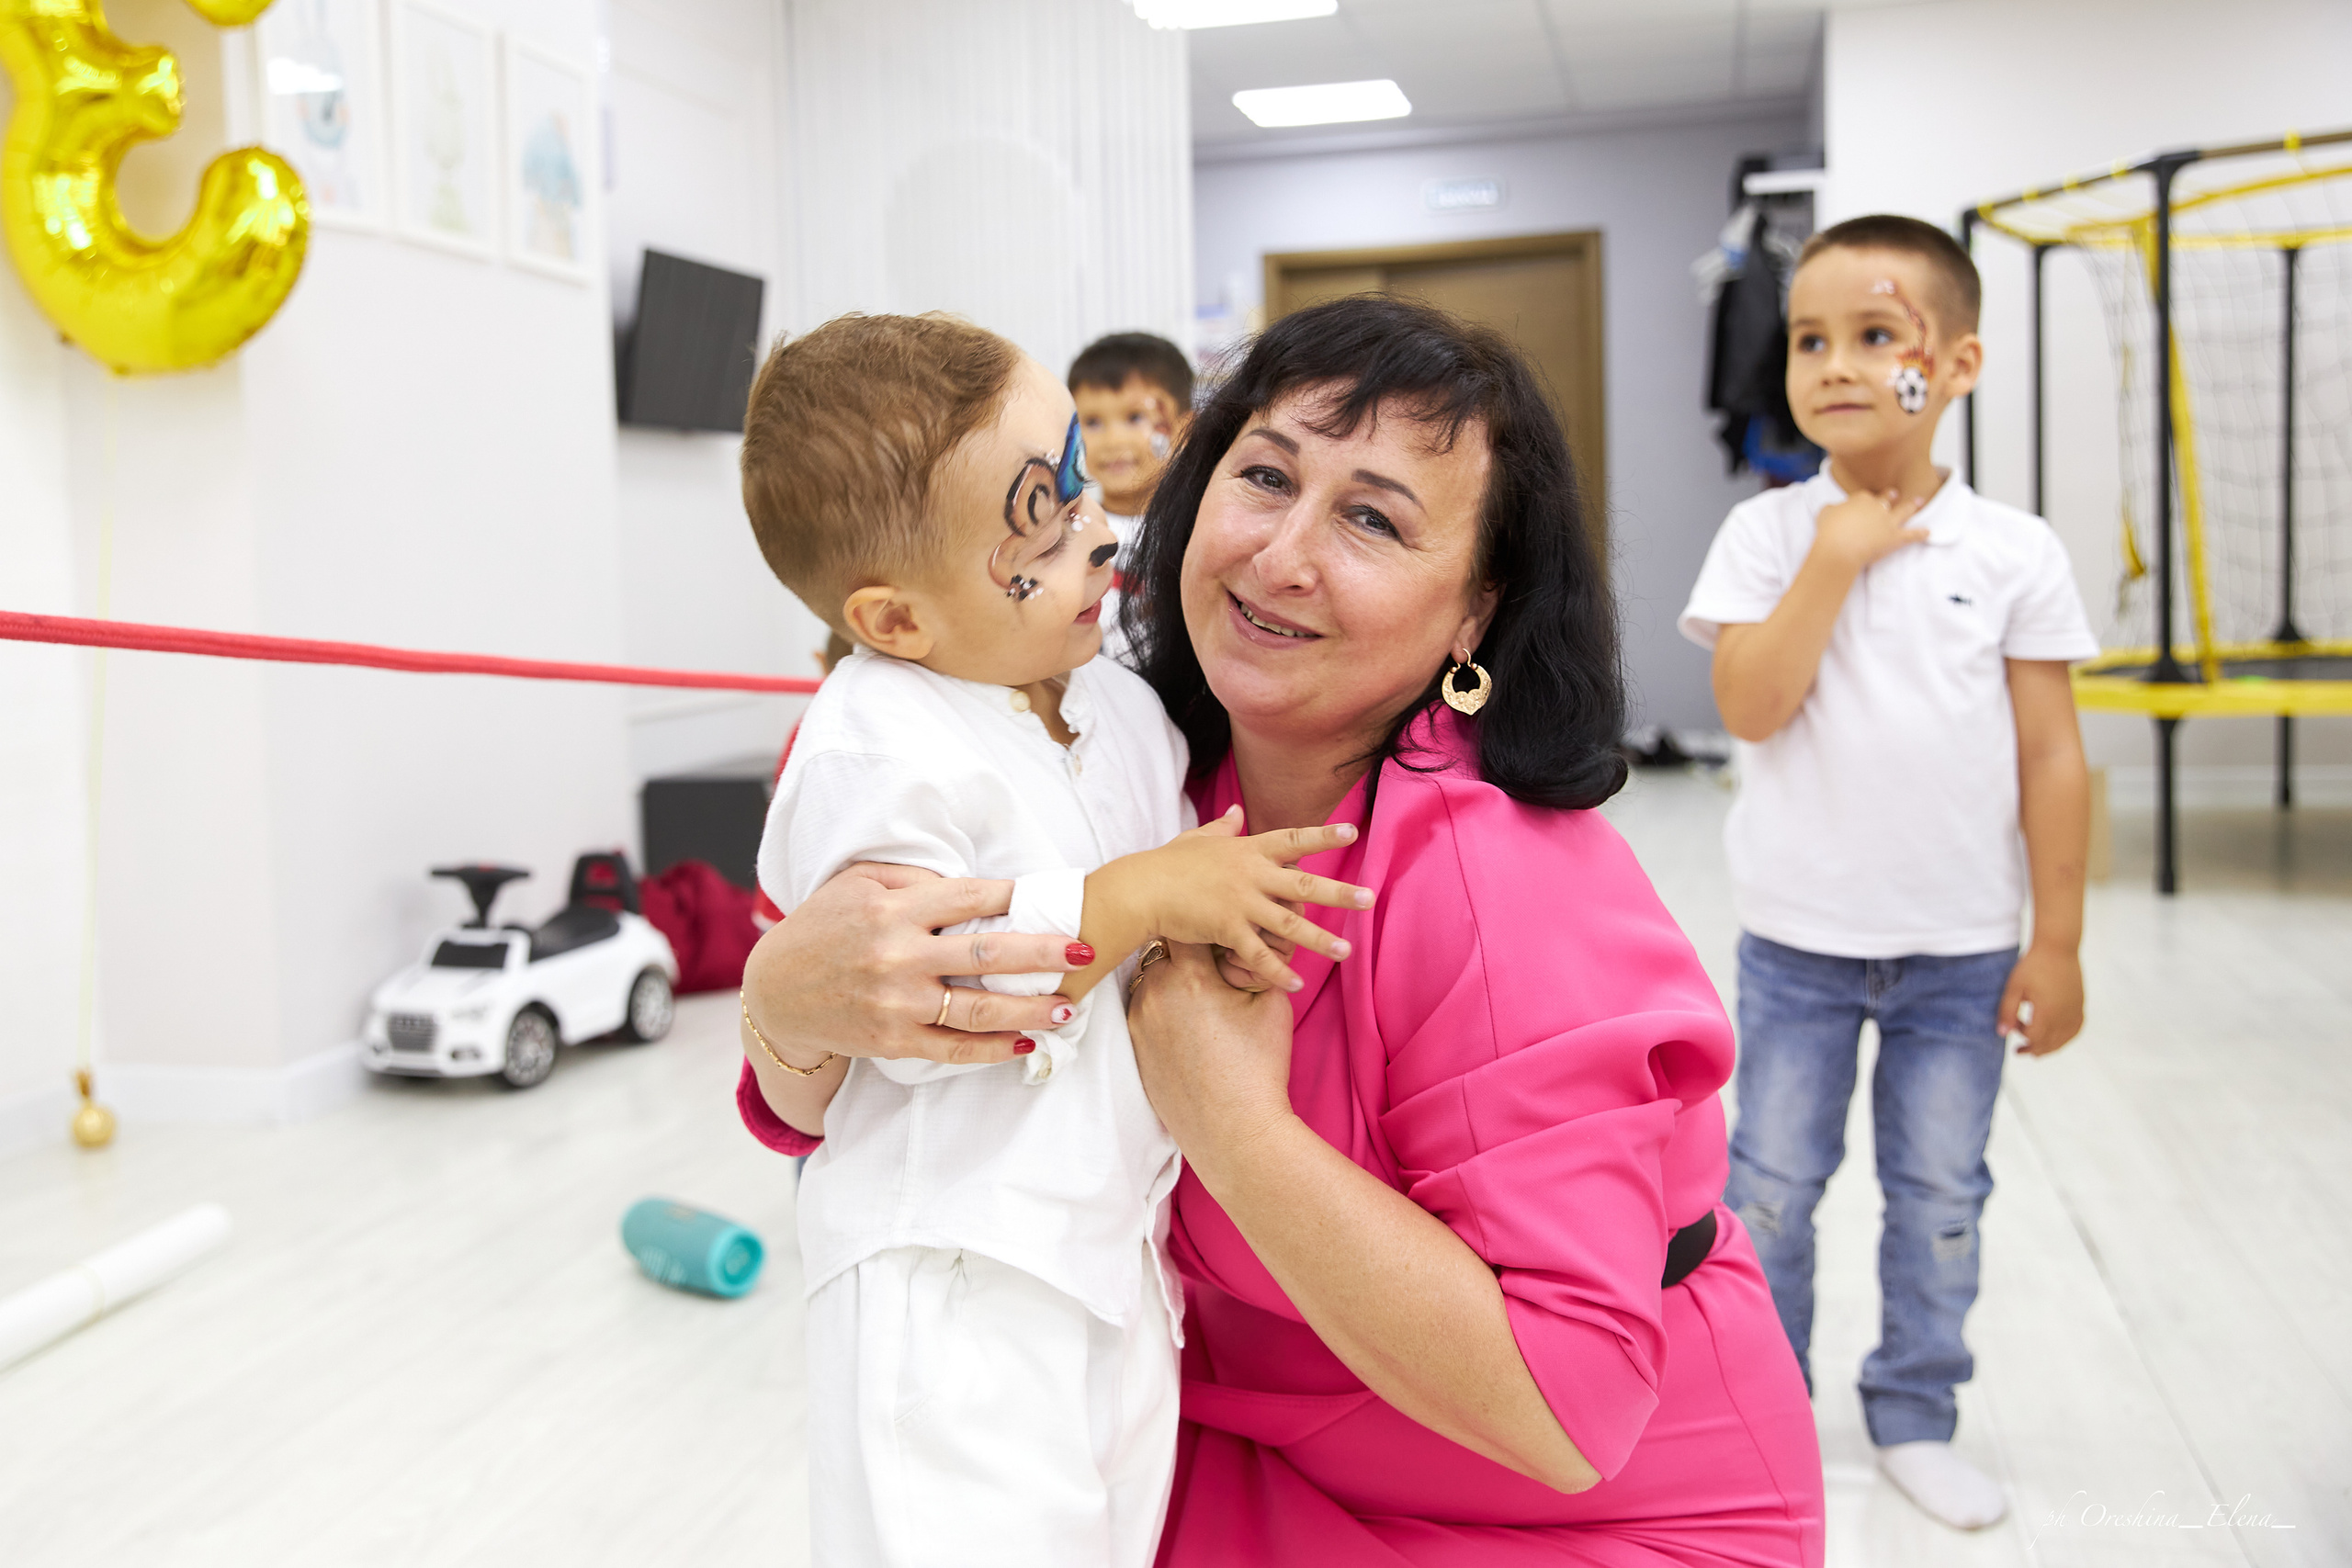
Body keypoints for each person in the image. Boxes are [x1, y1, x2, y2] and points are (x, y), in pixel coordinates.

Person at [738, 295, 1826, 1564]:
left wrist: (1234, 1124)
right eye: (1265, 476)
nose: (1281, 553)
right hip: (1227, 1434)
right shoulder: (1136, 763)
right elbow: (843, 1092)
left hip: (1568, 1510)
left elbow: (1569, 1406)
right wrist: (783, 1000)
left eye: (1371, 517)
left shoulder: (1500, 877)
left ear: (1476, 610)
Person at [733, 312, 1369, 1568]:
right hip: (955, 1280)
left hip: (1110, 1259)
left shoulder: (1113, 697)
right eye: (1046, 520)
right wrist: (1147, 892)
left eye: (1083, 486)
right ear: (898, 618)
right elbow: (921, 1009)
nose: (1100, 532)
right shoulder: (876, 740)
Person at [1678, 214, 2098, 1531]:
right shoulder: (1765, 535)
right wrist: (1832, 559)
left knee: (1938, 1193)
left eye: (1874, 336)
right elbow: (1749, 703)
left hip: (1962, 945)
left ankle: (1915, 1408)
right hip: (1799, 943)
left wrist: (2062, 938)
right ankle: (1767, 1403)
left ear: (1955, 362)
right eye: (1810, 339)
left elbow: (2052, 757)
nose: (1835, 363)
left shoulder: (2014, 551)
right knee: (1772, 1187)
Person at [1069, 332, 1194, 569]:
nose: (1113, 441)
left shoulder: (1195, 535)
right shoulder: (1068, 536)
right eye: (1093, 422)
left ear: (1185, 430)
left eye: (1135, 418)